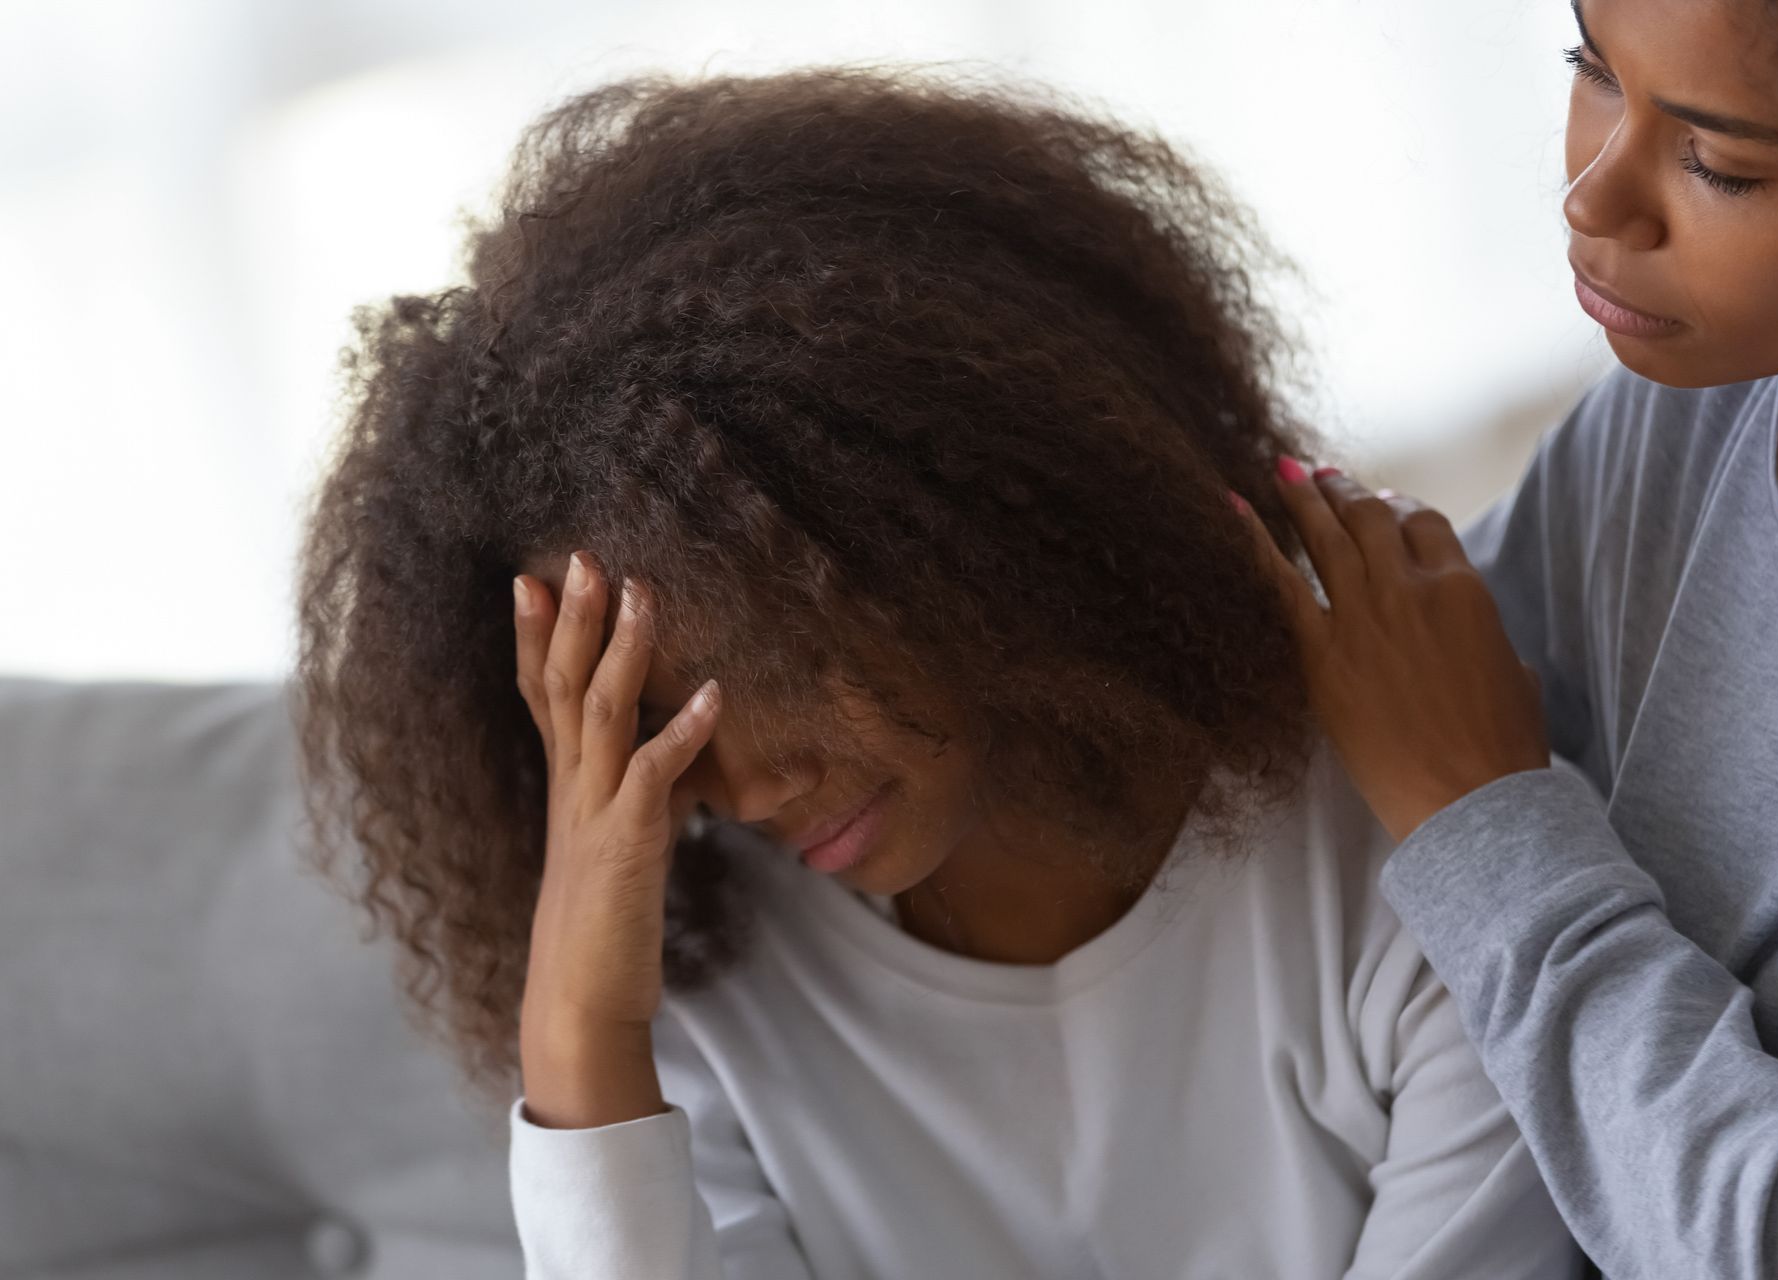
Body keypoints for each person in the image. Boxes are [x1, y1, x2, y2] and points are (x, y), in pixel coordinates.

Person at [292, 68, 1575, 1279]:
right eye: (653, 720)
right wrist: (578, 1032)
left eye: (760, 665)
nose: (743, 786)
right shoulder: (694, 989)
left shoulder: (1409, 853)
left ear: (939, 540)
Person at [1234, 1, 1778, 1275]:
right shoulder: (1688, 417)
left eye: (1720, 162)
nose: (1592, 197)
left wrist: (1481, 820)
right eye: (1593, 69)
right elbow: (1386, 726)